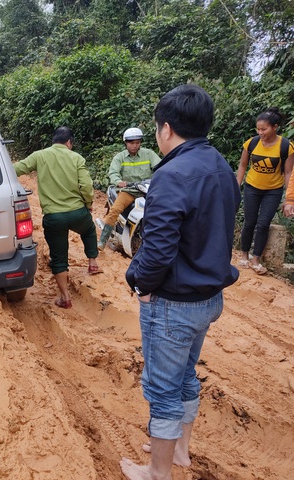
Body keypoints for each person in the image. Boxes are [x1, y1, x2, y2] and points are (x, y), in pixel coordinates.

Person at [122, 84, 241, 480]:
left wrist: (139, 282)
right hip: (209, 298)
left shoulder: (172, 174)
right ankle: (180, 452)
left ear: (166, 129)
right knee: (186, 375)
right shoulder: (221, 167)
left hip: (174, 304)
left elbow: (156, 250)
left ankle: (157, 472)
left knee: (162, 389)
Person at [13, 126, 102, 310]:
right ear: (69, 142)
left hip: (54, 217)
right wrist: (88, 203)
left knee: (59, 257)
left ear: (54, 140)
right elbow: (86, 185)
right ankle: (92, 263)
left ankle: (65, 297)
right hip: (77, 211)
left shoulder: (40, 155)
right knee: (89, 229)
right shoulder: (76, 157)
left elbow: (17, 169)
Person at [236, 107, 294, 275]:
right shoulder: (251, 143)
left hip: (273, 190)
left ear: (275, 127)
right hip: (251, 187)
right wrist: (236, 185)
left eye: (264, 129)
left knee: (263, 224)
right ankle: (244, 255)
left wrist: (289, 198)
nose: (260, 132)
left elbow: (289, 172)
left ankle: (256, 259)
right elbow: (242, 165)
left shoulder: (286, 146)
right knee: (249, 222)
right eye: (258, 129)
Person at [97, 127, 161, 250]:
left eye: (137, 143)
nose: (135, 146)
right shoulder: (119, 157)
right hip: (129, 191)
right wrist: (119, 181)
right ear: (126, 143)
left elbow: (159, 167)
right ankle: (102, 240)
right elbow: (113, 173)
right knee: (115, 210)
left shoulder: (149, 154)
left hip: (147, 190)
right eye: (132, 143)